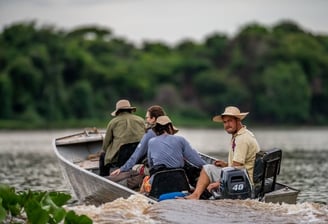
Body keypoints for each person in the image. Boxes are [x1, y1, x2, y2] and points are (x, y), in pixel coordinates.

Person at [184, 106, 260, 199]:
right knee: (210, 168)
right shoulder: (242, 134)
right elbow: (241, 164)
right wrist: (226, 164)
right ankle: (198, 194)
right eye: (225, 122)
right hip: (245, 176)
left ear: (238, 121)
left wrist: (219, 183)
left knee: (207, 169)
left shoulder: (242, 139)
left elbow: (237, 168)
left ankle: (195, 195)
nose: (227, 125)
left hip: (243, 180)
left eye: (230, 121)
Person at [141, 115, 207, 193]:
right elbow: (197, 161)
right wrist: (208, 168)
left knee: (144, 183)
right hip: (179, 181)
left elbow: (151, 164)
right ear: (170, 127)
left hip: (158, 182)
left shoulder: (151, 142)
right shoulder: (180, 140)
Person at [109, 105, 166, 177]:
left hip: (155, 169)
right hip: (169, 168)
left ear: (153, 119)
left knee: (134, 167)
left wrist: (122, 169)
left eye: (147, 118)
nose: (146, 120)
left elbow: (136, 155)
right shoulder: (168, 131)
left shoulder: (150, 133)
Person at [99, 99, 145, 176]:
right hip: (139, 156)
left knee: (102, 156)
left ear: (118, 111)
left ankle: (104, 177)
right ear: (130, 110)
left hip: (120, 158)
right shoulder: (141, 120)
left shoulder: (113, 122)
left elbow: (106, 143)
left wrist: (104, 151)